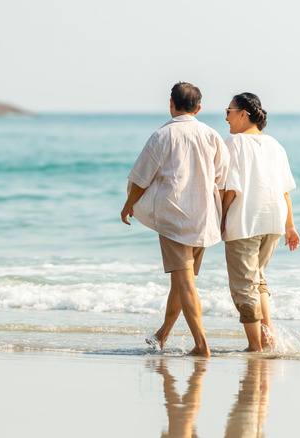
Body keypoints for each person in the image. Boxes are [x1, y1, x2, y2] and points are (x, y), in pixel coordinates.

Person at [121, 82, 229, 357]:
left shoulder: (162, 135)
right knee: (182, 281)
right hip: (204, 217)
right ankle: (162, 335)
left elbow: (141, 178)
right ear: (199, 108)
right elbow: (222, 177)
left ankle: (201, 345)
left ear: (171, 103)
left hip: (175, 218)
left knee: (185, 283)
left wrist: (128, 205)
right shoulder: (212, 135)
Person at [221, 92, 300, 352]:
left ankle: (254, 346)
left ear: (243, 113)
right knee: (258, 280)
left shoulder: (233, 143)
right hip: (274, 221)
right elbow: (284, 190)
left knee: (244, 287)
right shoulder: (275, 145)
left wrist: (220, 220)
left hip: (245, 221)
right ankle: (269, 338)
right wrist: (290, 226)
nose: (226, 116)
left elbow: (229, 189)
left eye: (230, 110)